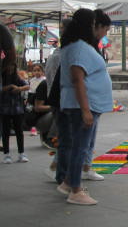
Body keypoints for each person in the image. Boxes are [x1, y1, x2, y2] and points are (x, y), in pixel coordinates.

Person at [57, 8, 113, 205]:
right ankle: (75, 189)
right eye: (93, 24)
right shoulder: (79, 48)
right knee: (79, 147)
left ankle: (68, 182)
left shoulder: (76, 46)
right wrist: (86, 110)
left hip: (84, 104)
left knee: (78, 146)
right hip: (81, 105)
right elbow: (77, 79)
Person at [79, 8, 112, 182]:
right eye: (105, 30)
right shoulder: (84, 47)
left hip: (95, 101)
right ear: (96, 26)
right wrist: (86, 108)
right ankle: (73, 181)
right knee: (84, 140)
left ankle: (85, 167)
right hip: (90, 102)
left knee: (88, 139)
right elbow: (79, 79)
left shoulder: (92, 46)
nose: (105, 34)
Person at [44, 18, 71, 180]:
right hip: (60, 101)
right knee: (65, 137)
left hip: (61, 100)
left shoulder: (61, 55)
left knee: (66, 137)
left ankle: (57, 166)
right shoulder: (58, 57)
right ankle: (59, 170)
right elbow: (55, 81)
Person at [1, 24, 29, 164]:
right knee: (6, 131)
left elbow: (26, 86)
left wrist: (17, 88)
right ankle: (7, 154)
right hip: (5, 108)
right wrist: (10, 87)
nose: (11, 68)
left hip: (16, 108)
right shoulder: (3, 75)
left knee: (18, 130)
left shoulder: (16, 78)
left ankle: (21, 153)